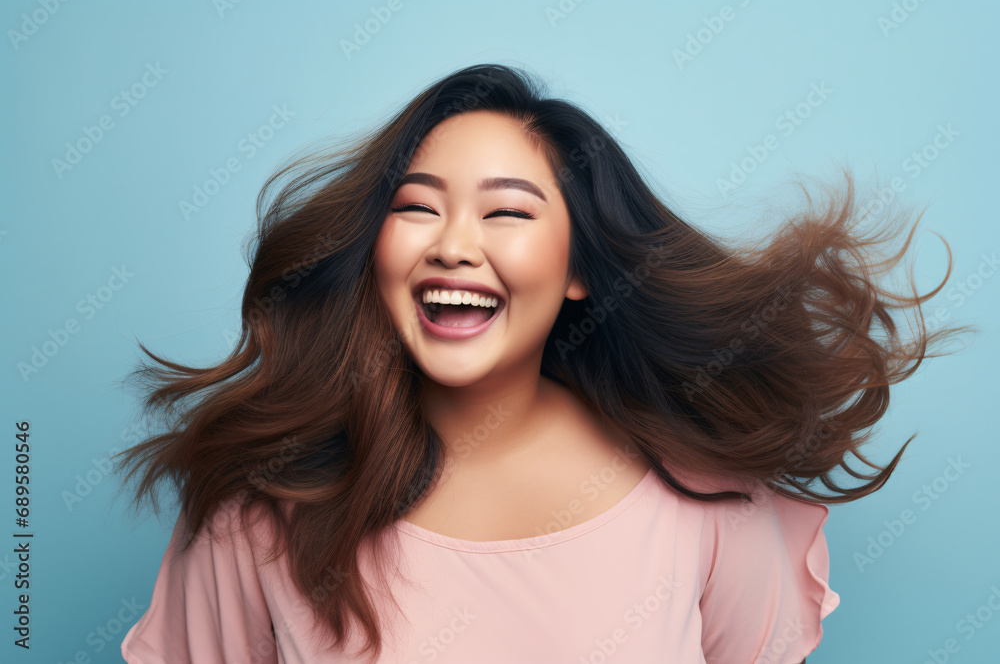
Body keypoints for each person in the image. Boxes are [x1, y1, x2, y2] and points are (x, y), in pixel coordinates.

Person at [112, 63, 966, 663]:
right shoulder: (264, 506)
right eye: (416, 207)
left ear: (581, 270)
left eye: (506, 213)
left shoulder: (711, 505)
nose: (453, 245)